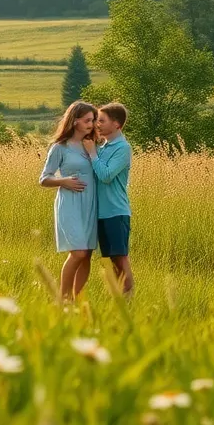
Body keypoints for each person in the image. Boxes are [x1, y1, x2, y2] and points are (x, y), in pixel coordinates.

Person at [38, 101, 99, 301]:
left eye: (94, 120)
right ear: (75, 121)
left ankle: (78, 299)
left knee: (87, 253)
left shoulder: (94, 145)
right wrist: (63, 181)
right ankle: (63, 299)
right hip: (70, 204)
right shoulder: (60, 147)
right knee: (79, 253)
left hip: (91, 204)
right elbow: (44, 179)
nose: (92, 124)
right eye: (87, 120)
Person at [93, 102, 133, 297]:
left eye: (101, 120)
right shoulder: (102, 147)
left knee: (120, 257)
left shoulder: (123, 148)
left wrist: (92, 153)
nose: (97, 124)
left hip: (116, 211)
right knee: (107, 259)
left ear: (116, 124)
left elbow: (106, 175)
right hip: (100, 213)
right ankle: (115, 298)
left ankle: (128, 300)